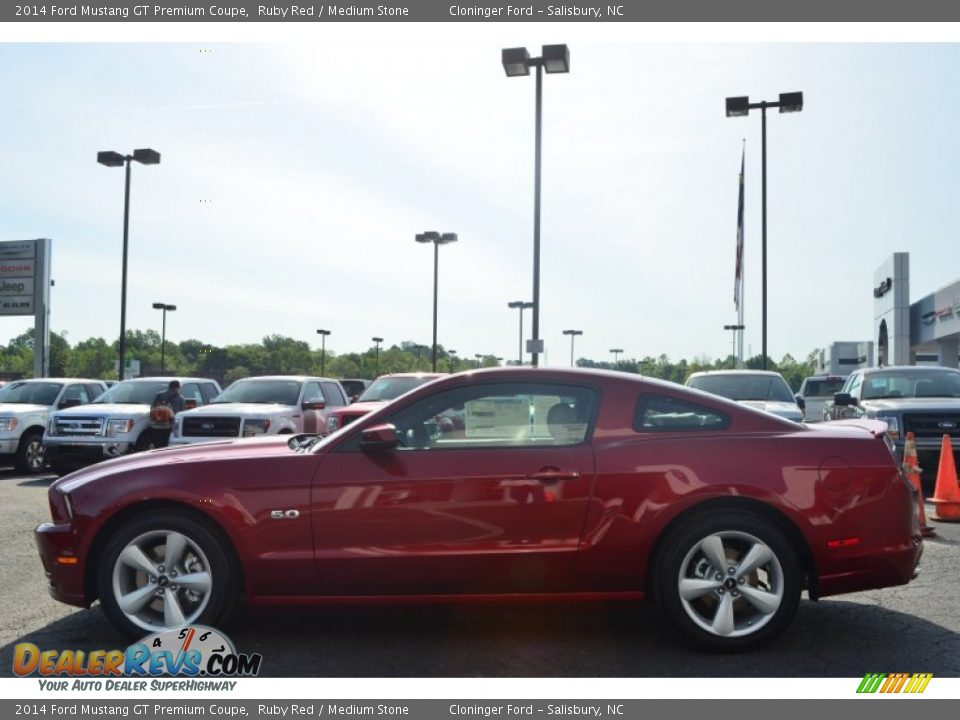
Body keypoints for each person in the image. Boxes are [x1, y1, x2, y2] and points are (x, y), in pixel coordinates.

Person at [150, 380, 185, 447]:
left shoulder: (159, 395)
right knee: (166, 445)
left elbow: (152, 408)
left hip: (157, 424)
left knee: (157, 444)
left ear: (169, 387)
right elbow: (181, 413)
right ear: (178, 388)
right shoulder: (181, 398)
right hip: (170, 426)